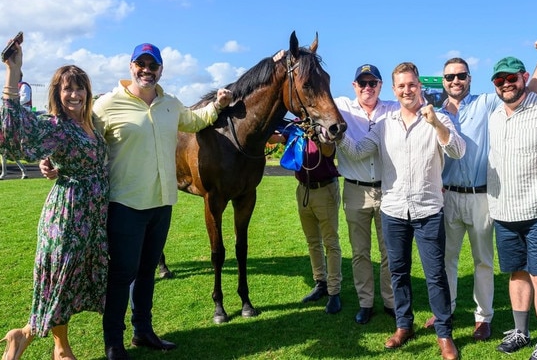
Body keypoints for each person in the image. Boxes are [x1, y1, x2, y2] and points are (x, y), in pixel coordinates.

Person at [41, 43, 232, 360]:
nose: (147, 69)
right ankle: (113, 342)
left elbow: (194, 121)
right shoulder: (107, 105)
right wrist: (53, 160)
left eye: (152, 64)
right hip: (125, 205)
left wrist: (218, 106)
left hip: (161, 204)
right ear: (131, 67)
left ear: (161, 69)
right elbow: (81, 135)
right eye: (140, 64)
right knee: (121, 275)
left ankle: (143, 331)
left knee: (146, 272)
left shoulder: (170, 104)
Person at [428, 35, 537, 342]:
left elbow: (529, 92)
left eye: (461, 75)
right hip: (447, 195)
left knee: (483, 260)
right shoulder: (434, 108)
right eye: (450, 77)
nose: (455, 80)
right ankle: (445, 311)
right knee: (447, 259)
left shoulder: (487, 103)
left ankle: (483, 317)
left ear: (469, 78)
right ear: (443, 81)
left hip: (482, 195)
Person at [337, 62, 465, 360]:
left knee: (435, 275)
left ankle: (444, 334)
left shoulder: (438, 117)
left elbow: (458, 151)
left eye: (411, 84)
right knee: (398, 272)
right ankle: (403, 325)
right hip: (393, 209)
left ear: (419, 86)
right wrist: (335, 131)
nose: (407, 90)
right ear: (394, 90)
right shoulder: (384, 124)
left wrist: (436, 123)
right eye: (401, 86)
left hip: (428, 209)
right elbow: (356, 151)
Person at [1, 39, 109, 360]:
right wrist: (13, 72)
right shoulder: (57, 126)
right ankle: (59, 348)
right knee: (60, 285)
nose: (74, 94)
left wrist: (52, 162)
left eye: (80, 88)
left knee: (70, 284)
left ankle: (23, 336)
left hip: (90, 218)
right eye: (67, 89)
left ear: (88, 92)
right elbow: (12, 134)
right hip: (66, 217)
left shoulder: (89, 124)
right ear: (57, 94)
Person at [487, 56, 537, 360]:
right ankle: (520, 332)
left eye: (511, 78)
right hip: (503, 212)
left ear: (524, 77)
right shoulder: (495, 115)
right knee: (516, 274)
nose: (506, 84)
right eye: (499, 80)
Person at [334, 64, 399, 324]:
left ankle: (391, 301)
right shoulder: (341, 107)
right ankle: (365, 302)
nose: (368, 88)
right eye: (363, 83)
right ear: (354, 86)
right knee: (360, 252)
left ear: (381, 86)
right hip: (355, 190)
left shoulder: (392, 110)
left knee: (389, 252)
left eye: (373, 83)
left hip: (388, 190)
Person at [270, 120, 343, 315]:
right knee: (312, 241)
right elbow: (273, 138)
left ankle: (334, 291)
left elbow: (329, 152)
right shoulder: (295, 126)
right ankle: (321, 282)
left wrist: (317, 135)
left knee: (331, 242)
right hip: (303, 190)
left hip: (325, 189)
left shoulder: (324, 125)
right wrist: (270, 121)